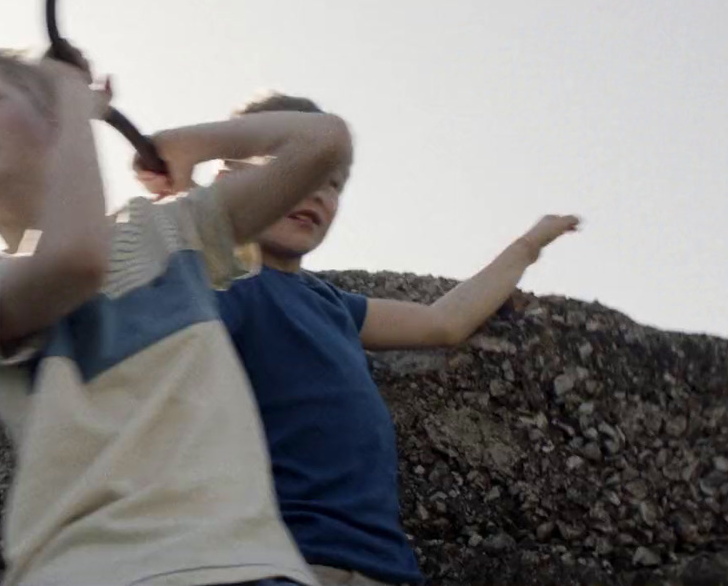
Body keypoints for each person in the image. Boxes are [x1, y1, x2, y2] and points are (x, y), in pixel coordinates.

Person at [0, 45, 354, 586]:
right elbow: (75, 262)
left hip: (250, 566)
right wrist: (74, 101)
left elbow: (323, 140)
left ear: (50, 124)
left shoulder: (169, 230)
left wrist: (192, 142)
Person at [141, 92, 579, 586]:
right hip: (277, 563)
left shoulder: (334, 304)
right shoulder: (224, 281)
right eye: (292, 173)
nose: (316, 194)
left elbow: (442, 322)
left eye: (331, 184)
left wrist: (527, 247)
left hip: (385, 568)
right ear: (228, 182)